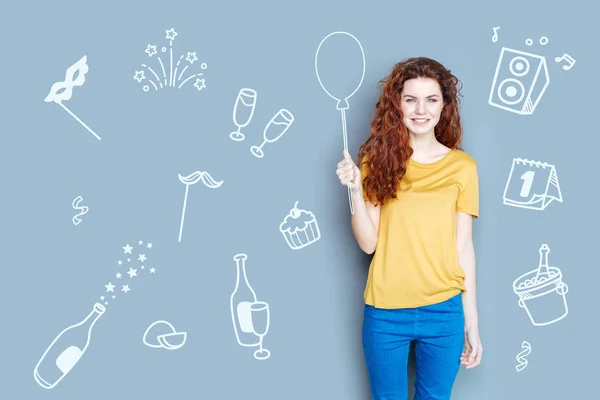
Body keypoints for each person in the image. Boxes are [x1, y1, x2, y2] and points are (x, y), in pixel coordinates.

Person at [336, 57, 482, 400]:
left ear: (444, 105)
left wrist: (471, 323)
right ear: (396, 104)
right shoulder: (377, 161)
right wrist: (356, 191)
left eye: (431, 99)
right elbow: (368, 244)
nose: (421, 110)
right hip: (385, 313)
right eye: (410, 99)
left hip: (444, 312)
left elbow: (464, 249)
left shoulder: (463, 168)